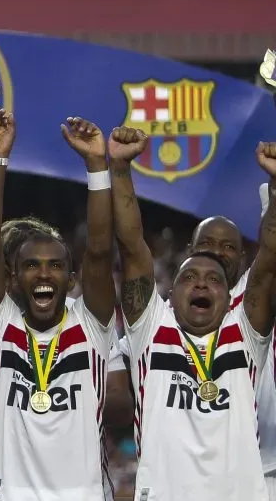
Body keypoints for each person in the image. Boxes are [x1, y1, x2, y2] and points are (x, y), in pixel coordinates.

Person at [109, 128, 276, 500]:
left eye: (214, 279)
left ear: (230, 293)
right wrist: (119, 169)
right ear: (171, 289)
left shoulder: (244, 332)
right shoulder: (151, 329)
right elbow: (131, 245)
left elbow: (268, 262)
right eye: (190, 277)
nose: (201, 284)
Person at [0, 112, 117, 499]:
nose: (43, 275)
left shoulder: (91, 326)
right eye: (31, 266)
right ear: (12, 278)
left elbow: (101, 252)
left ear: (71, 280)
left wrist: (97, 167)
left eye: (56, 266)